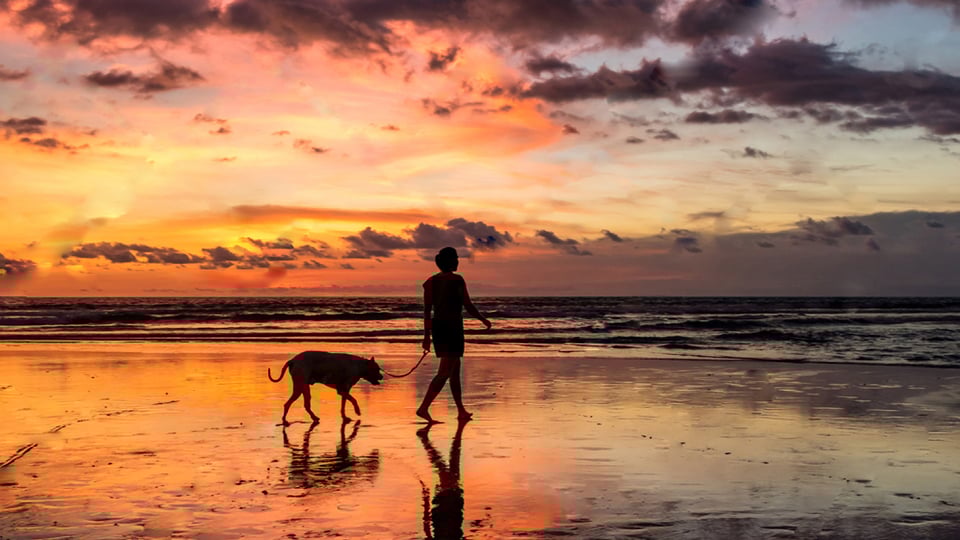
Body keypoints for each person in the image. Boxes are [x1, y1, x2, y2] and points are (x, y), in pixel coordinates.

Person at [416, 247, 491, 423]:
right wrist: (483, 319)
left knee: (454, 371)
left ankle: (461, 410)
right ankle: (423, 408)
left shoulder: (430, 282)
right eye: (455, 259)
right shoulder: (457, 280)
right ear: (449, 261)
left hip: (439, 328)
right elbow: (468, 305)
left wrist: (426, 336)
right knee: (444, 372)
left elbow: (427, 312)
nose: (458, 261)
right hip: (452, 328)